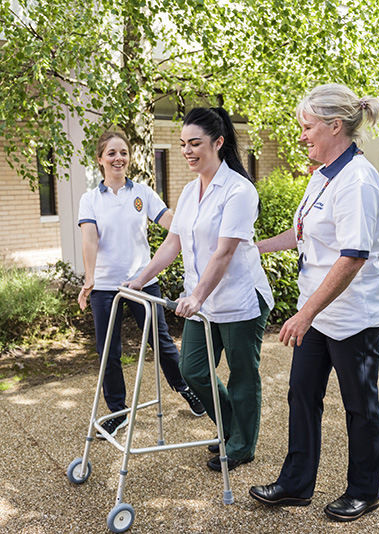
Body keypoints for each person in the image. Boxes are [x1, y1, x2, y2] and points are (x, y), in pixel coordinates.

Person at [248, 83, 379, 522]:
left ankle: (364, 492)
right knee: (302, 394)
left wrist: (304, 313)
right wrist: (252, 248)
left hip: (354, 315)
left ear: (335, 126)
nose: (301, 136)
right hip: (319, 312)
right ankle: (296, 484)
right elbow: (301, 235)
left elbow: (352, 257)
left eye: (307, 127)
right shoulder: (322, 174)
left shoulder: (358, 180)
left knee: (359, 404)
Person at [127, 107, 274, 472]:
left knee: (242, 374)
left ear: (218, 142)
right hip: (201, 300)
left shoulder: (240, 190)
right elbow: (172, 243)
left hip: (240, 298)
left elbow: (225, 252)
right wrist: (140, 278)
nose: (187, 151)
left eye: (195, 143)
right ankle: (230, 429)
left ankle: (241, 445)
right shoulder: (190, 191)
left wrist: (196, 297)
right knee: (192, 370)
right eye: (182, 144)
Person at [77, 131, 205, 439]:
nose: (118, 158)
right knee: (108, 350)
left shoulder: (143, 193)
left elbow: (168, 221)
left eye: (123, 152)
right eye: (111, 153)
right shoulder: (90, 199)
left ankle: (185, 388)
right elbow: (90, 239)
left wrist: (197, 230)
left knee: (160, 343)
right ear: (100, 160)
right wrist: (90, 278)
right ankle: (118, 412)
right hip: (106, 286)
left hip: (142, 282)